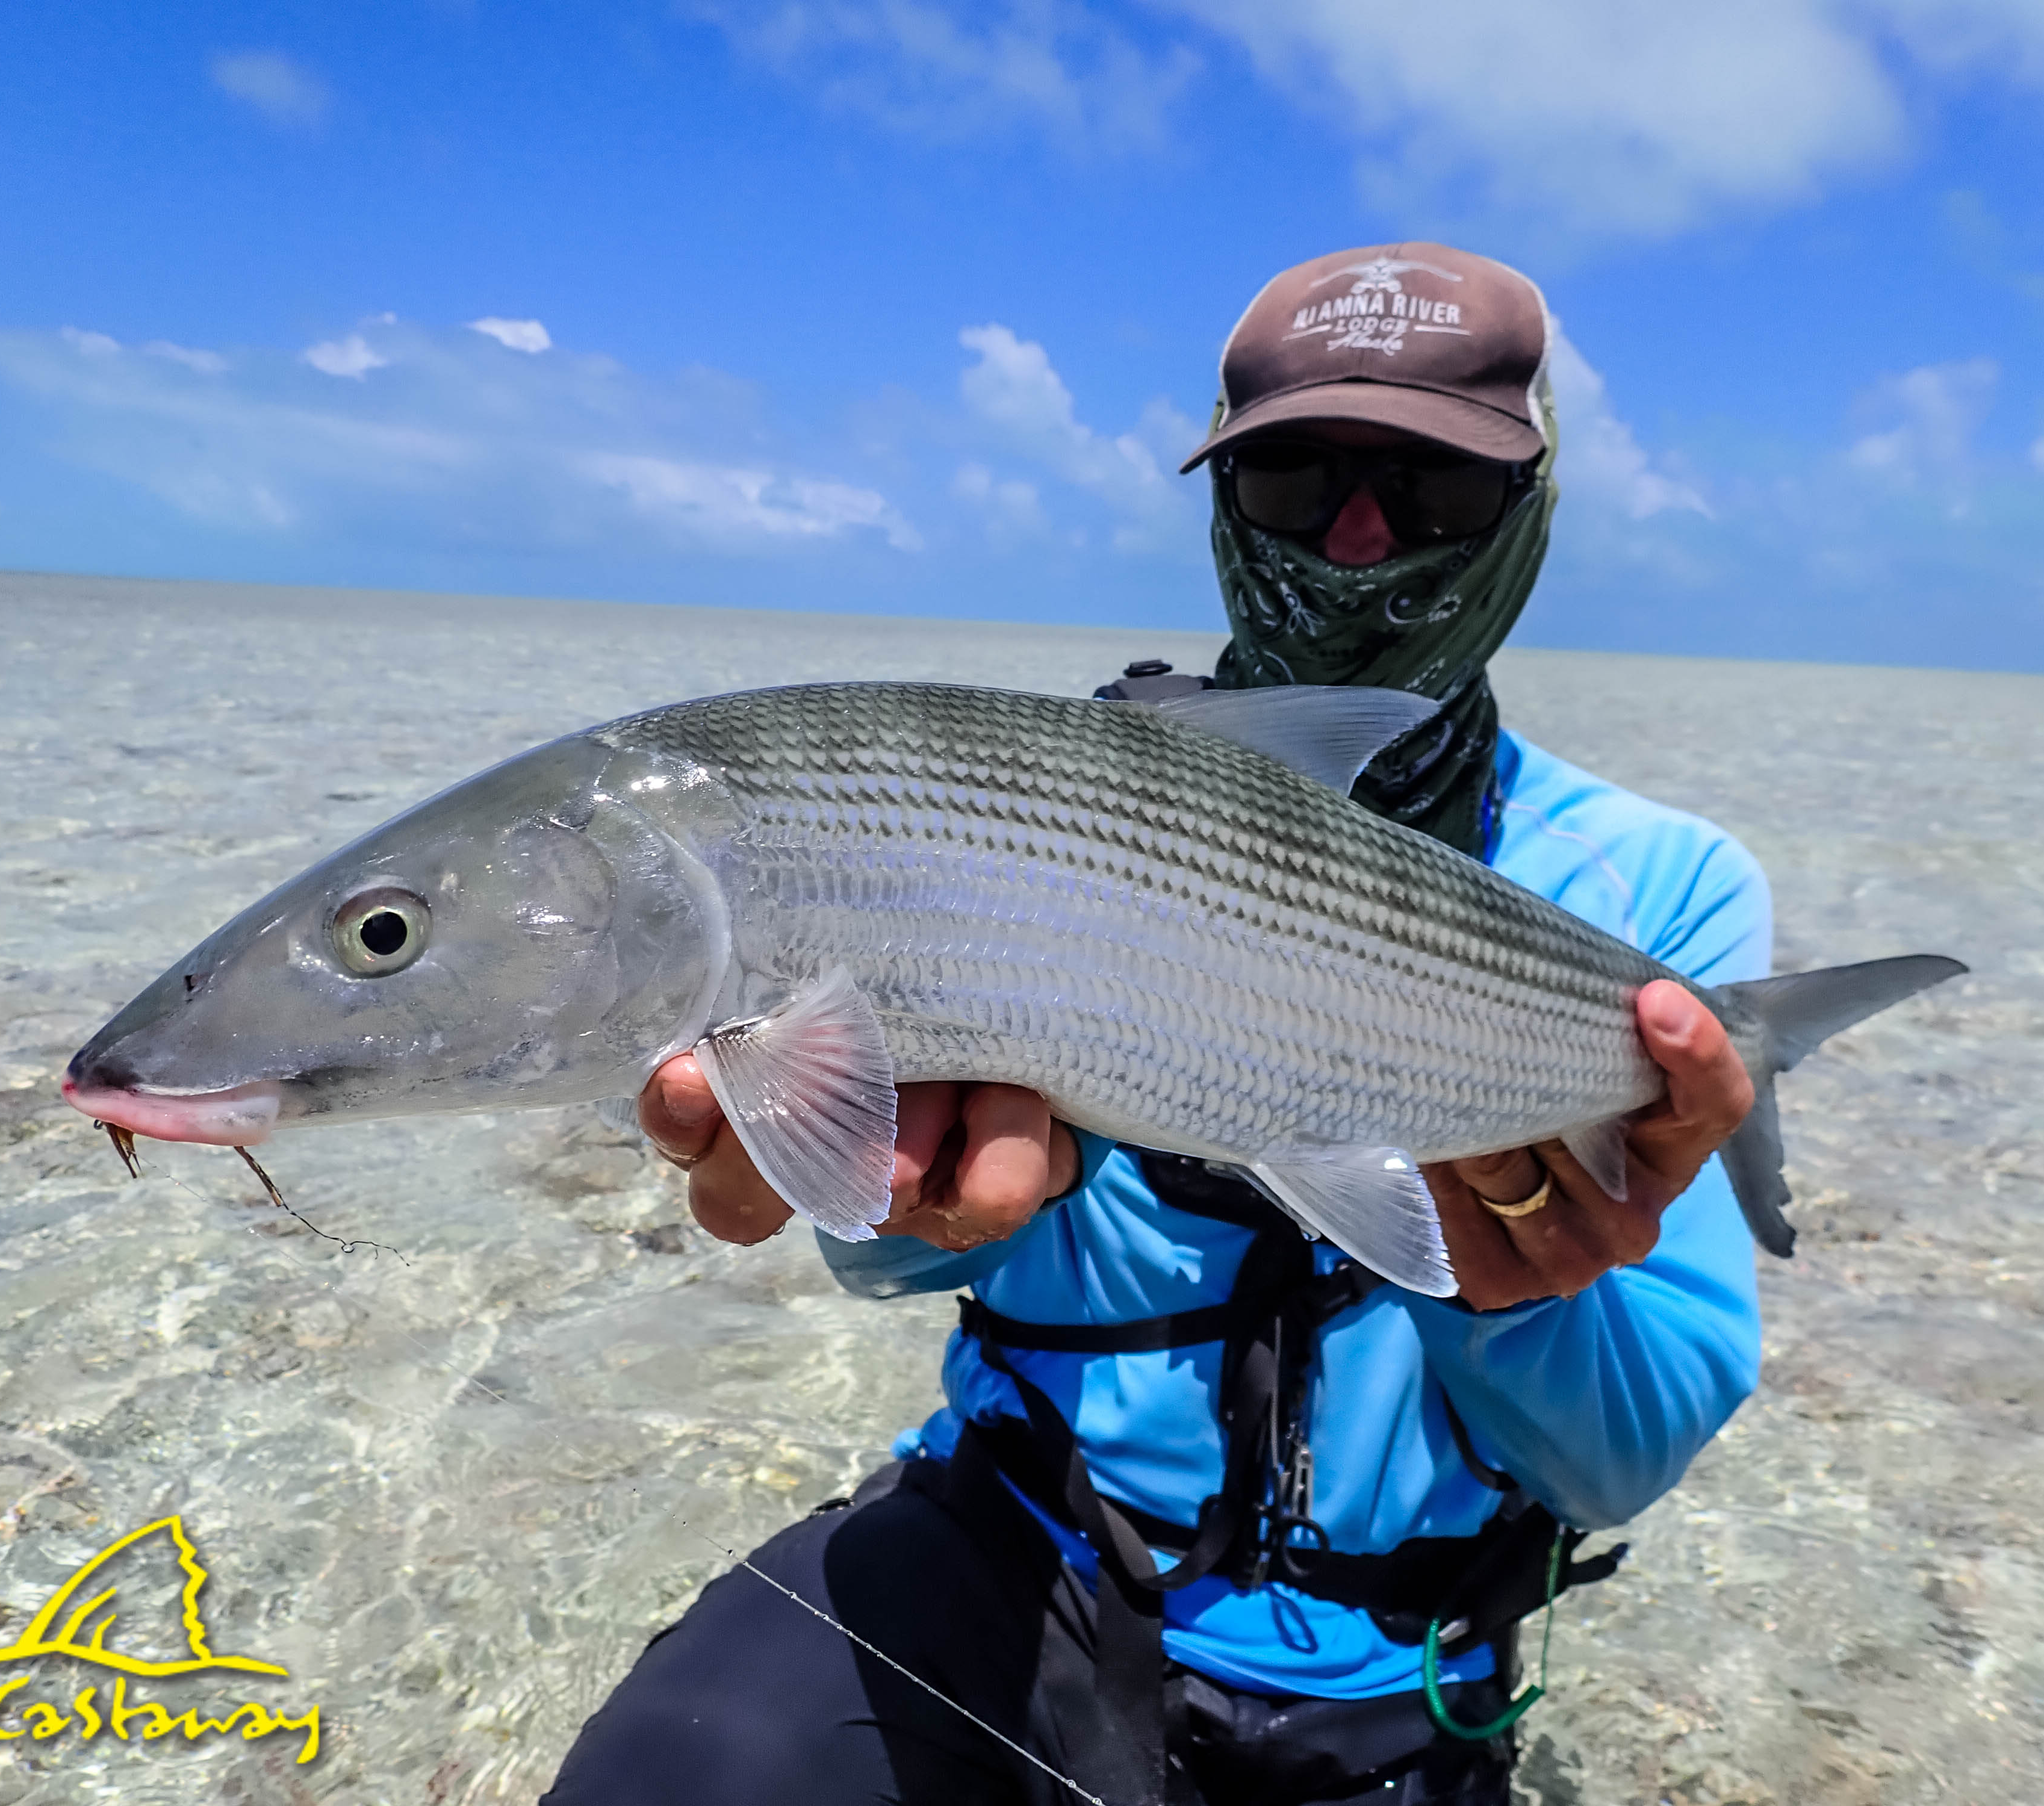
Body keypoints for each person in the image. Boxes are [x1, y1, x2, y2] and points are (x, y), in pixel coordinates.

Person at [542, 243, 1767, 1806]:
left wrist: (1509, 1288)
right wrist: (894, 1193)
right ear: (1220, 499)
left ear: (1534, 509)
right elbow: (900, 1255)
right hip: (1022, 1559)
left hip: (1400, 1667)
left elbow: (1624, 1461)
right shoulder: (1028, 802)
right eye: (1295, 478)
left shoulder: (1657, 890)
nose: (1360, 537)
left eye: (1436, 486)